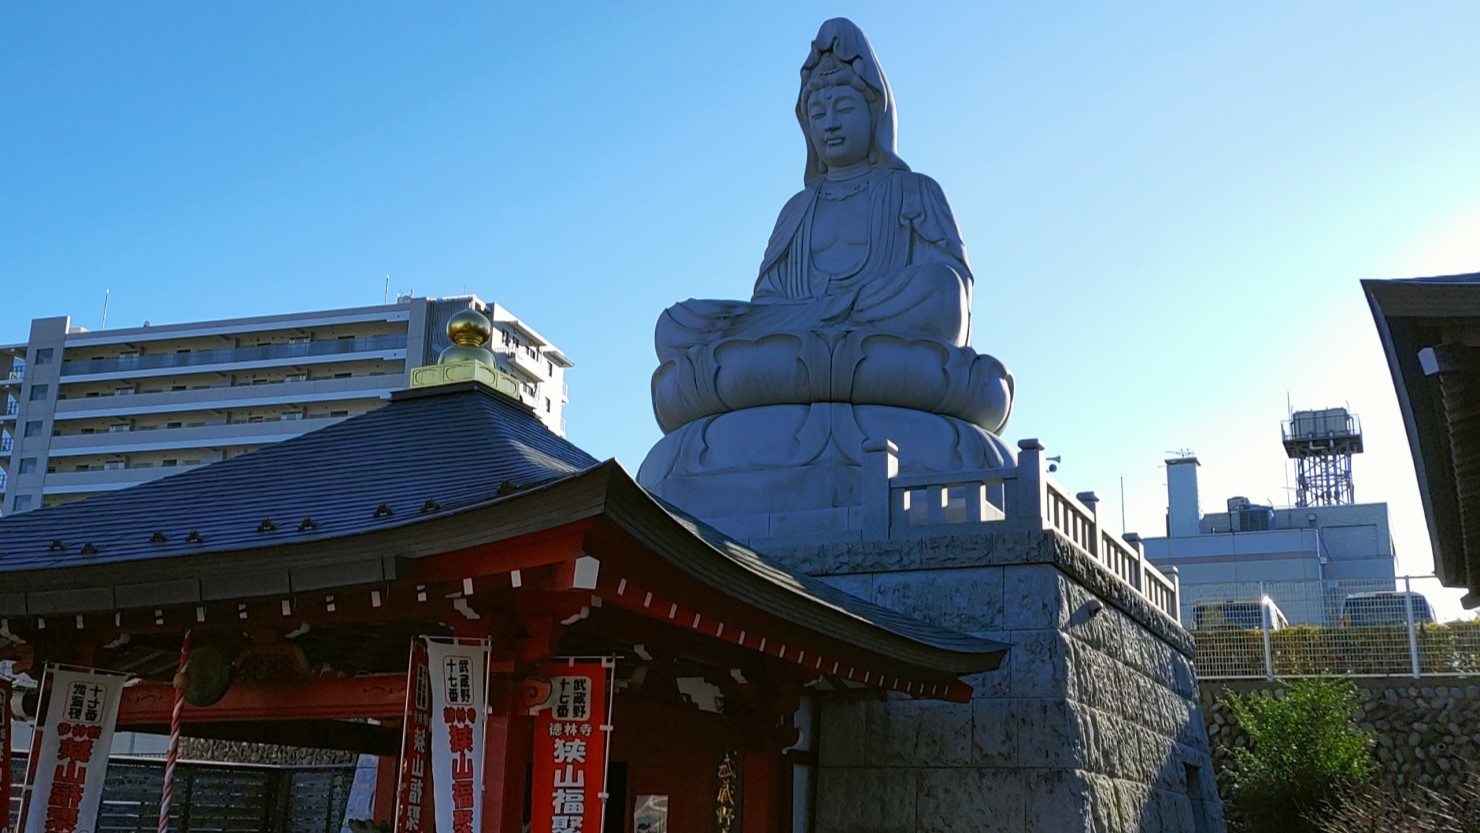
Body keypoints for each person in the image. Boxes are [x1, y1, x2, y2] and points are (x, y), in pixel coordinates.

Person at [656, 17, 975, 362]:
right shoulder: (798, 209)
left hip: (873, 328)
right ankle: (815, 341)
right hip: (795, 329)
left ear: (874, 115)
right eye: (818, 114)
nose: (831, 124)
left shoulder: (914, 191)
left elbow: (950, 294)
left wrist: (841, 308)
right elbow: (769, 300)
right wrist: (807, 315)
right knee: (676, 324)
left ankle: (809, 345)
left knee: (941, 290)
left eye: (845, 108)